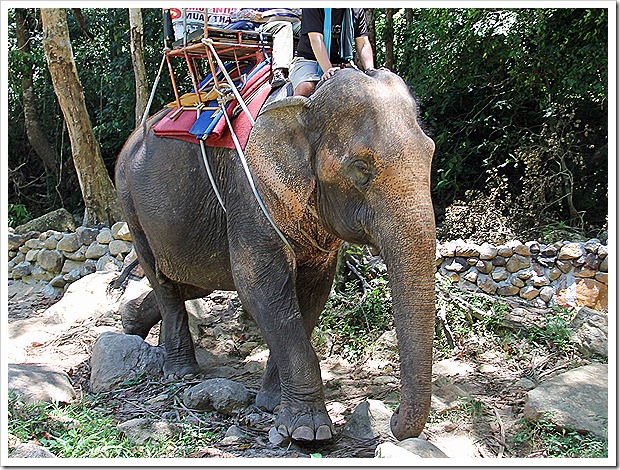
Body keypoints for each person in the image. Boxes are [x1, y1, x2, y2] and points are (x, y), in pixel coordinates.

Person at [289, 8, 374, 97]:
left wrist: (370, 71)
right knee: (305, 88)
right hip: (310, 60)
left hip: (343, 64)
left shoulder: (356, 10)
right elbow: (315, 40)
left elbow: (363, 44)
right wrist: (328, 70)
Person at [227, 8, 302, 88]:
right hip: (267, 23)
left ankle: (311, 67)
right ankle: (278, 72)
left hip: (294, 21)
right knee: (284, 26)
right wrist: (251, 14)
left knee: (308, 29)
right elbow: (234, 14)